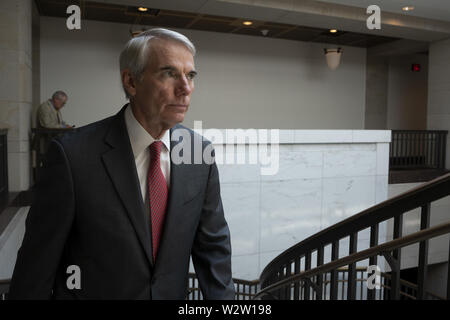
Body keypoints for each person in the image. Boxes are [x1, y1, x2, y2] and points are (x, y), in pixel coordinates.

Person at [9, 28, 235, 299]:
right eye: (169, 73)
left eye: (190, 75)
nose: (185, 88)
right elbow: (36, 267)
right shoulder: (71, 157)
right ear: (131, 81)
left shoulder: (199, 154)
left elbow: (213, 251)